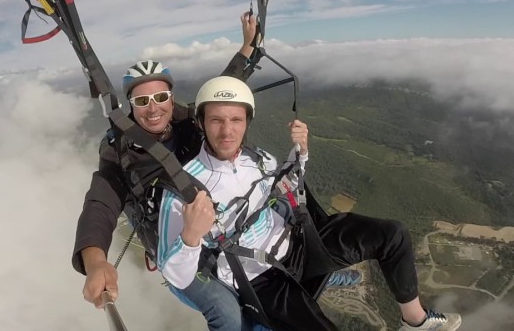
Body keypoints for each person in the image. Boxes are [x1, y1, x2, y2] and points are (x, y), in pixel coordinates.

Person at [157, 76, 463, 331]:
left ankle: (415, 321)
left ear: (247, 121)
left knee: (392, 236)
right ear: (201, 123)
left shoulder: (258, 158)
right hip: (260, 280)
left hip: (299, 245)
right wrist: (190, 237)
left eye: (236, 120)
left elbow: (286, 183)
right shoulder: (183, 189)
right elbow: (176, 274)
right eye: (217, 121)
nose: (228, 131)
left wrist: (300, 153)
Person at [72, 13, 266, 330]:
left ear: (171, 98)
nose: (153, 107)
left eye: (161, 97)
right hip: (175, 246)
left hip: (217, 227)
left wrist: (247, 47)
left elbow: (223, 90)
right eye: (142, 100)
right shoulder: (119, 150)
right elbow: (101, 203)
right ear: (130, 106)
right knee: (226, 313)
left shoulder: (189, 120)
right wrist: (95, 261)